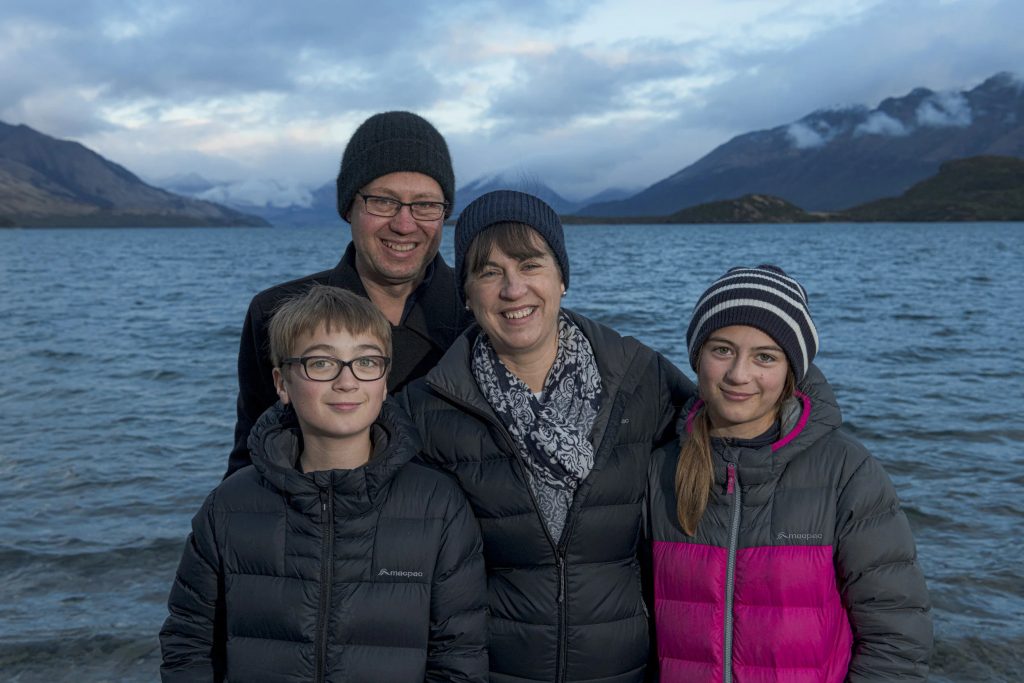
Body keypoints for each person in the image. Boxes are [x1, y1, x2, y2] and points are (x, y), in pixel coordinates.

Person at [399, 190, 695, 683]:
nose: (514, 289)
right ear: (468, 296)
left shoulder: (639, 378)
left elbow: (738, 430)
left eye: (530, 264)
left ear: (562, 278)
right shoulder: (426, 408)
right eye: (489, 272)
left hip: (625, 670)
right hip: (492, 672)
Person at [161, 285, 487, 682]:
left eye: (366, 362)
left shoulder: (437, 508)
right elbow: (188, 644)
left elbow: (459, 657)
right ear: (282, 384)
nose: (346, 381)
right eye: (321, 363)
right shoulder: (229, 506)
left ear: (384, 382)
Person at [647, 265, 932, 682]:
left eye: (765, 356)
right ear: (697, 356)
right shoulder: (660, 470)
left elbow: (898, 637)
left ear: (790, 372)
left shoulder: (846, 473)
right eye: (722, 349)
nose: (739, 374)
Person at [226, 110, 467, 477]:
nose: (404, 224)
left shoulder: (480, 315)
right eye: (383, 201)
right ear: (348, 209)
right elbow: (251, 461)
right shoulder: (275, 312)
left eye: (425, 205)